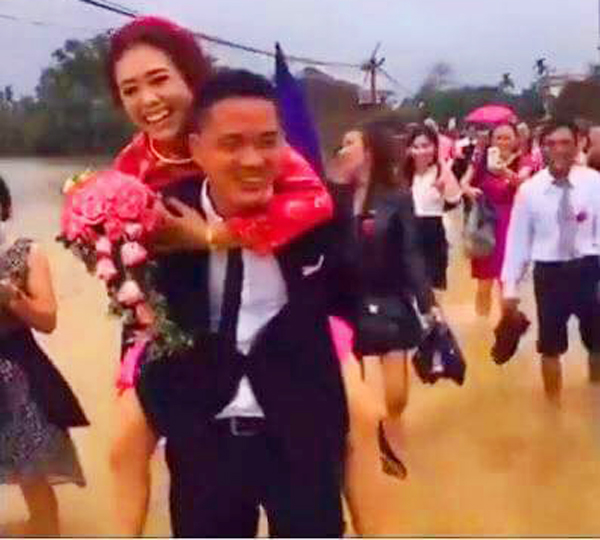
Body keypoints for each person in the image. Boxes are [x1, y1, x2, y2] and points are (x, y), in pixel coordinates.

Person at [105, 16, 335, 535]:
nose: (148, 99)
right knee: (123, 446)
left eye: (159, 80)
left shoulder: (252, 140)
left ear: (190, 76)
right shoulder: (131, 168)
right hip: (182, 342)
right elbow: (122, 259)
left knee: (362, 419)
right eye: (130, 90)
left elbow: (317, 202)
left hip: (291, 353)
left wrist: (216, 235)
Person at [334, 124, 439, 478]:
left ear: (369, 151)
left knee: (396, 394)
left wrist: (427, 302)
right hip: (346, 301)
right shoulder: (333, 197)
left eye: (350, 143)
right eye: (341, 144)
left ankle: (392, 432)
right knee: (354, 395)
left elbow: (411, 253)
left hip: (390, 297)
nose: (342, 150)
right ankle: (366, 451)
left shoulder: (396, 197)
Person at [0, 175, 88, 536]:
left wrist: (12, 297)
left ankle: (45, 530)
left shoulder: (25, 252)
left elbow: (48, 320)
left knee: (32, 469)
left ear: (4, 208)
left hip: (15, 373)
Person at [501, 120, 600, 404]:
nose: (558, 150)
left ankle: (594, 400)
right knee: (549, 346)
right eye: (551, 144)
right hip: (549, 273)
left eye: (565, 143)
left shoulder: (594, 183)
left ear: (578, 144)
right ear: (542, 148)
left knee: (597, 343)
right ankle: (553, 409)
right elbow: (517, 242)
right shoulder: (529, 191)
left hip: (589, 267)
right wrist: (510, 289)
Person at [461, 123, 532, 317]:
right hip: (485, 223)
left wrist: (504, 171)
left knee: (507, 282)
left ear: (516, 140)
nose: (502, 142)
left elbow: (525, 183)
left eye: (507, 137)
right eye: (498, 137)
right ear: (491, 140)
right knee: (483, 282)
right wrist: (469, 190)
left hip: (511, 224)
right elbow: (463, 182)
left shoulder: (524, 160)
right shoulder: (480, 160)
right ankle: (481, 325)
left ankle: (505, 327)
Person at [404, 125, 462, 293]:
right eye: (416, 147)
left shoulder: (440, 171)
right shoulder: (404, 174)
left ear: (435, 146)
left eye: (426, 146)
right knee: (409, 289)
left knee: (433, 290)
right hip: (407, 233)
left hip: (433, 232)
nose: (421, 151)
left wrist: (444, 178)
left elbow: (454, 199)